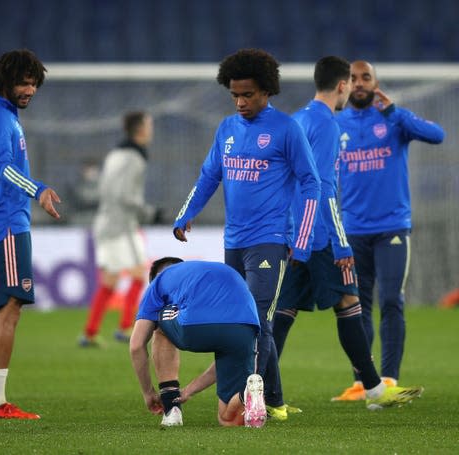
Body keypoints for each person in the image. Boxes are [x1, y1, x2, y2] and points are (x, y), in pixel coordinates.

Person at [172, 48, 321, 421]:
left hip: (270, 239)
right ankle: (275, 399)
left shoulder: (287, 129)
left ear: (267, 91)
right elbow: (209, 176)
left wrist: (301, 239)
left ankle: (246, 399)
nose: (240, 102)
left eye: (248, 95)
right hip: (234, 242)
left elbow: (312, 182)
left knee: (255, 319)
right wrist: (186, 213)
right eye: (235, 95)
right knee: (241, 321)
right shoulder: (226, 129)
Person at [272, 56, 424, 410]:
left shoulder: (297, 120)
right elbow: (324, 188)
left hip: (296, 234)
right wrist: (340, 242)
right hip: (322, 234)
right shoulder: (326, 124)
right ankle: (374, 388)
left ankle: (262, 393)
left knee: (284, 313)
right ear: (342, 86)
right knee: (349, 303)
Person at [332, 61, 445, 401]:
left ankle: (390, 378)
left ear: (376, 83)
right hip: (352, 229)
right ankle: (363, 382)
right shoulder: (337, 124)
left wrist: (395, 111)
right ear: (345, 85)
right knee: (357, 306)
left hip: (392, 227)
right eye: (353, 78)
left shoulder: (394, 119)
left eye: (366, 77)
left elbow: (436, 135)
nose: (360, 83)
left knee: (391, 300)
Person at [0, 49, 61, 419]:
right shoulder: (0, 118)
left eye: (34, 83)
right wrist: (38, 190)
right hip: (4, 223)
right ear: (5, 81)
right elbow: (4, 168)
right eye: (23, 82)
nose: (30, 89)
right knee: (9, 309)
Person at [129, 257, 264, 427]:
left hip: (196, 325)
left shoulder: (158, 282)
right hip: (246, 325)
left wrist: (148, 393)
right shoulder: (214, 270)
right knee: (228, 419)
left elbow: (136, 345)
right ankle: (246, 395)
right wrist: (189, 390)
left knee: (159, 326)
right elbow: (222, 366)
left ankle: (171, 409)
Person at [80, 111, 160, 347]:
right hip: (121, 226)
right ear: (140, 129)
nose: (151, 130)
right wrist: (149, 212)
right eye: (149, 125)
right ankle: (125, 328)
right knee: (137, 274)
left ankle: (90, 332)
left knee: (110, 281)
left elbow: (108, 190)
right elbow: (125, 195)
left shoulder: (115, 153)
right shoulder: (135, 157)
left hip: (106, 222)